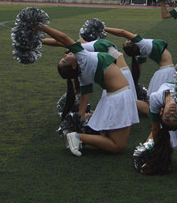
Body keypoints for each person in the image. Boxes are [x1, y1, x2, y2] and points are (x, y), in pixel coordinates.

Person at [40, 23, 139, 156]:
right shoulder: (83, 57)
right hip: (119, 97)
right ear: (74, 65)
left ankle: (78, 137)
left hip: (112, 98)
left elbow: (83, 102)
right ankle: (77, 137)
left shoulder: (82, 75)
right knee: (117, 146)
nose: (64, 56)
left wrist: (78, 120)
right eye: (64, 60)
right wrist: (41, 27)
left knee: (111, 140)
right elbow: (63, 38)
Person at [104, 25, 176, 96]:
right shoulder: (142, 43)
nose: (129, 39)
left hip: (164, 71)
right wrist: (104, 28)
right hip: (167, 71)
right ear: (134, 46)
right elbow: (122, 32)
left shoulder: (141, 52)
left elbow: (138, 70)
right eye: (129, 41)